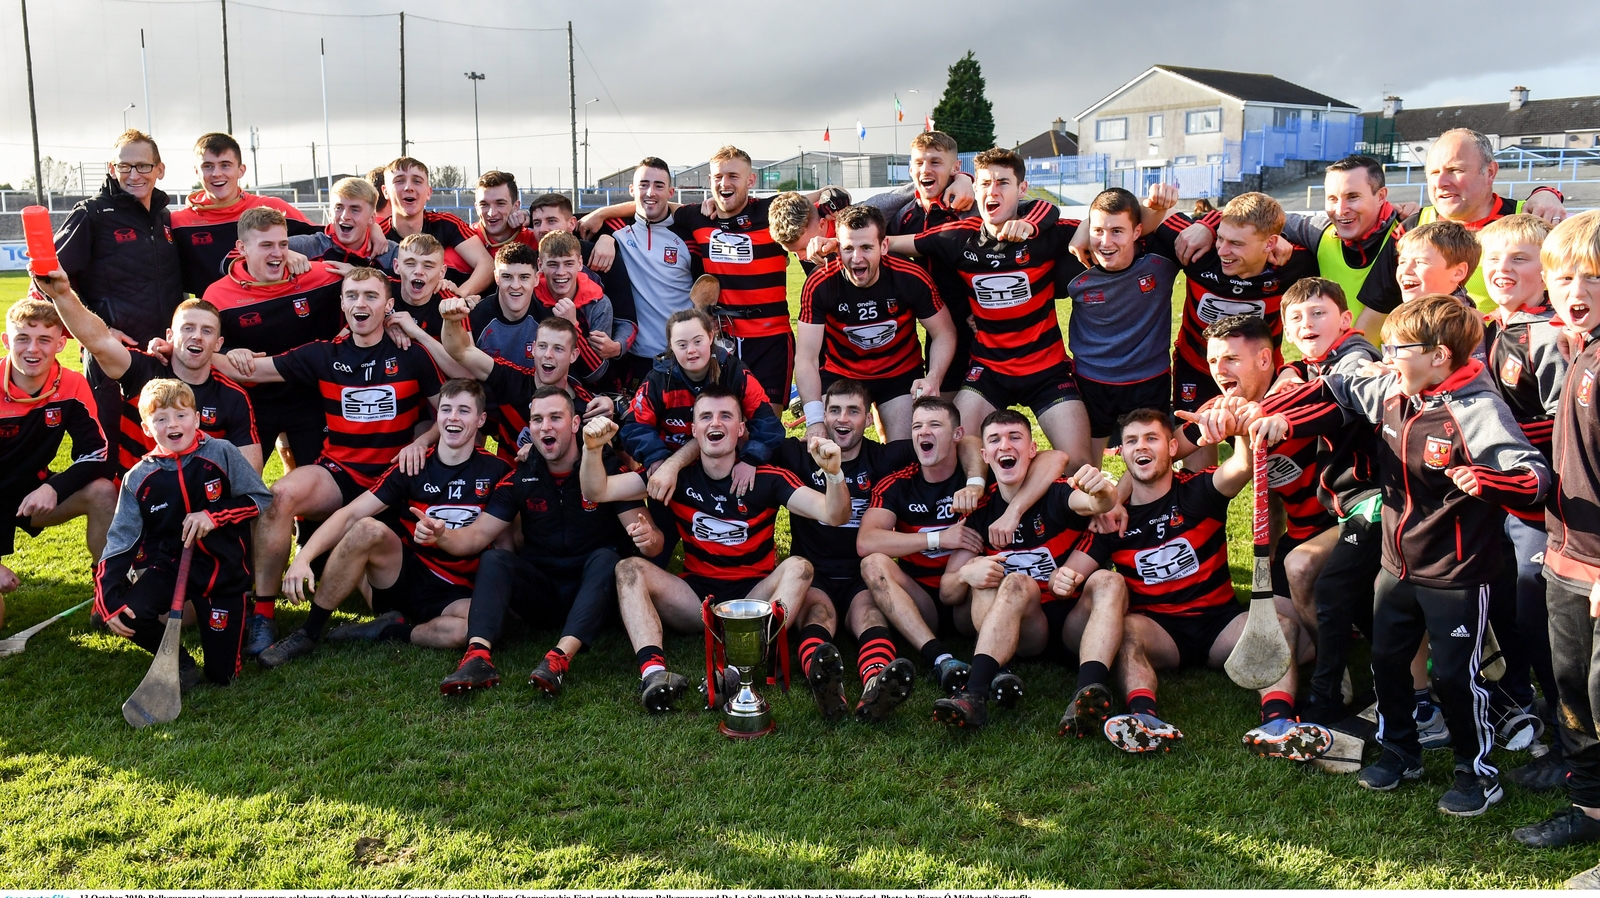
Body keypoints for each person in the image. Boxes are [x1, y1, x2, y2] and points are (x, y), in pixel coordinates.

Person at [1253, 294, 1550, 816]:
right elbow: (1340, 388)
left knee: (1455, 679)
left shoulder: (1477, 410)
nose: (1385, 360)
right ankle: (1400, 752)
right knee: (1388, 663)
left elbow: (1533, 476)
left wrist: (1488, 481)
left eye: (1397, 350)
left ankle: (1475, 773)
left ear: (1439, 356)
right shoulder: (1394, 387)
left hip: (1457, 575)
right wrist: (1274, 415)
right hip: (1396, 567)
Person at [578, 390, 850, 716]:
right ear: (693, 429)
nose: (715, 423)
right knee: (628, 568)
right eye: (706, 416)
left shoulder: (767, 478)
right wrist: (591, 450)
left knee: (800, 567)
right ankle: (653, 674)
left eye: (725, 416)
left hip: (753, 600)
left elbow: (835, 514)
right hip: (697, 601)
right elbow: (597, 490)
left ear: (741, 428)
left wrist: (834, 474)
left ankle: (737, 671)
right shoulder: (678, 476)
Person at [1075, 409, 1325, 762]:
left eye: (1151, 438)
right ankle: (1144, 718)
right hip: (1159, 630)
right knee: (1126, 630)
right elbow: (1072, 570)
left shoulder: (1197, 490)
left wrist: (1240, 431)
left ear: (1171, 447)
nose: (1140, 446)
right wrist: (1065, 574)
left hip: (1218, 624)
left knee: (1280, 626)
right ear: (1123, 453)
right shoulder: (1114, 518)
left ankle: (1277, 723)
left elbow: (1243, 466)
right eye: (1131, 441)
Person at [222, 267, 444, 653]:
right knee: (279, 496)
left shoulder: (411, 354)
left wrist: (421, 442)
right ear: (342, 304)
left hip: (397, 480)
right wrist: (203, 351)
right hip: (341, 473)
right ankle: (263, 615)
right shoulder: (324, 354)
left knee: (390, 600)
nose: (361, 303)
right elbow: (254, 370)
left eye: (371, 296)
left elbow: (449, 414)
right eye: (352, 295)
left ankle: (378, 615)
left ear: (388, 305)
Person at [756, 380, 988, 721]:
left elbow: (964, 440)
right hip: (814, 575)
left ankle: (876, 683)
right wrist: (747, 462)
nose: (842, 419)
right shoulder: (797, 454)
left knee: (871, 617)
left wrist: (975, 482)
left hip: (861, 579)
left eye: (853, 411)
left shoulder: (885, 457)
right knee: (819, 616)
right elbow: (753, 446)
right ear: (823, 416)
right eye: (835, 410)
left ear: (868, 419)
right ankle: (824, 681)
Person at [257, 379, 509, 668]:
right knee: (367, 528)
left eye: (464, 411)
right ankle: (308, 632)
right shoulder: (413, 464)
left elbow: (506, 543)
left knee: (470, 630)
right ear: (437, 416)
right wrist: (303, 558)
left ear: (481, 420)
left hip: (457, 590)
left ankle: (388, 631)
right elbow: (350, 514)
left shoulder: (498, 471)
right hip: (405, 574)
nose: (453, 418)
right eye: (446, 409)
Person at [431, 386, 661, 696]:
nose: (545, 427)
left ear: (576, 423)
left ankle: (559, 657)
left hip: (597, 594)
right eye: (537, 420)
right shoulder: (520, 476)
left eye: (555, 417)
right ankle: (477, 657)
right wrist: (441, 535)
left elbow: (654, 543)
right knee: (494, 559)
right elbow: (473, 538)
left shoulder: (606, 470)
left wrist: (647, 538)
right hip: (544, 594)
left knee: (608, 558)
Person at [886, 147, 1093, 470]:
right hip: (989, 371)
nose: (992, 191)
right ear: (974, 187)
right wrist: (838, 245)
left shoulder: (1047, 232)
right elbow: (891, 244)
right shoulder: (959, 237)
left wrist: (1064, 226)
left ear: (1022, 189)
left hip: (1047, 371)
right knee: (951, 452)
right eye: (984, 183)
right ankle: (980, 493)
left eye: (1003, 183)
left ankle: (1030, 489)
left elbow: (1102, 220)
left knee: (1079, 464)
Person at [931, 409, 1121, 731]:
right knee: (1007, 579)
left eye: (1015, 437)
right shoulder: (981, 511)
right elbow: (947, 592)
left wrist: (1104, 492)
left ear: (1032, 450)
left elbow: (1095, 504)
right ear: (985, 455)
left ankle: (1087, 696)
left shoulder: (1055, 492)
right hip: (1025, 629)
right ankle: (974, 695)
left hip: (1073, 624)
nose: (1005, 446)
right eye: (995, 440)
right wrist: (966, 574)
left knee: (1110, 580)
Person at [1510, 212, 1600, 881]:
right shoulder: (1579, 349)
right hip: (1568, 552)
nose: (1576, 290)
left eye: (1593, 278)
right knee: (1572, 687)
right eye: (1564, 277)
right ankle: (1589, 802)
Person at [94, 379, 270, 689]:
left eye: (181, 415)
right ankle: (178, 661)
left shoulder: (221, 452)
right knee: (130, 614)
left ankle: (233, 628)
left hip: (222, 573)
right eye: (161, 418)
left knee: (223, 677)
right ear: (147, 429)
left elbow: (259, 499)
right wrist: (106, 596)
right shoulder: (139, 478)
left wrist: (214, 516)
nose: (172, 424)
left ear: (197, 419)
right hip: (172, 567)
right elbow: (120, 541)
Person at [1475, 214, 1567, 783]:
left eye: (1519, 259)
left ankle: (1569, 739)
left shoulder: (1551, 334)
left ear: (1546, 270)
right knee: (1505, 603)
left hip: (1544, 504)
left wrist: (1493, 441)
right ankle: (1516, 702)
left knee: (1541, 612)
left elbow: (1567, 426)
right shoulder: (1487, 327)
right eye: (1493, 259)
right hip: (1497, 501)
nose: (1502, 269)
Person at [1268, 278, 1383, 725]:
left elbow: (1338, 394)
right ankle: (1365, 681)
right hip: (1352, 505)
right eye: (1296, 317)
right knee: (1323, 580)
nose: (1307, 323)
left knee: (1327, 584)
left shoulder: (1355, 358)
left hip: (1381, 498)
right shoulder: (1312, 365)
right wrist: (1289, 376)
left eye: (1319, 313)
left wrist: (1279, 415)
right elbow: (1309, 376)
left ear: (1346, 320)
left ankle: (1328, 697)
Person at [34, 271, 260, 474]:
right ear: (170, 336)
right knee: (102, 494)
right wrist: (62, 295)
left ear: (219, 344)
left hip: (201, 502)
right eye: (188, 328)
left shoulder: (232, 396)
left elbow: (249, 473)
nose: (197, 336)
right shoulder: (143, 369)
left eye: (207, 331)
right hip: (137, 499)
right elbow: (99, 341)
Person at [53, 130, 184, 477]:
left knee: (166, 454)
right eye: (125, 166)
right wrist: (101, 329)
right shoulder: (92, 214)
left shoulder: (165, 218)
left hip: (164, 357)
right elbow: (47, 280)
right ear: (112, 169)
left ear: (160, 169)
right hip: (112, 361)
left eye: (143, 166)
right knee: (111, 461)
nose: (134, 174)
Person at [1168, 191, 1317, 470]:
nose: (1223, 251)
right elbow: (1146, 217)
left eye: (1236, 243)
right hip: (1196, 369)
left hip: (1260, 376)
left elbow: (1343, 239)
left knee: (1272, 468)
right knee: (1199, 467)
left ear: (1270, 243)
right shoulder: (1199, 249)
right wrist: (1207, 224)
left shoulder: (1296, 262)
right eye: (1221, 239)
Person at [203, 205, 346, 475]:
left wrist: (353, 270)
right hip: (253, 403)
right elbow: (204, 346)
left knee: (316, 483)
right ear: (242, 248)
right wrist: (230, 352)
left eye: (283, 244)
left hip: (310, 400)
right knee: (241, 482)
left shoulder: (319, 275)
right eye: (266, 245)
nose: (278, 253)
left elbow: (372, 282)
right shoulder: (218, 295)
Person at [796, 203, 955, 441]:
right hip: (842, 375)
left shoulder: (910, 276)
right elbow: (806, 358)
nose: (856, 258)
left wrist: (933, 377)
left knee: (903, 450)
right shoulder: (821, 282)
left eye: (866, 247)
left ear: (884, 246)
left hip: (899, 374)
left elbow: (944, 333)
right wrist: (814, 420)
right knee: (830, 447)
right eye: (848, 248)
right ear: (838, 248)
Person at [0, 297, 115, 619]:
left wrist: (55, 487)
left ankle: (107, 591)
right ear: (7, 341)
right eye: (23, 338)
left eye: (44, 340)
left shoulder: (71, 384)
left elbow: (97, 453)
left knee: (102, 491)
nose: (32, 349)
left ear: (61, 344)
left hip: (30, 496)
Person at [620, 309, 784, 531]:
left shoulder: (734, 372)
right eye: (682, 344)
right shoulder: (659, 379)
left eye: (698, 341)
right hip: (671, 464)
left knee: (728, 532)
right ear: (671, 346)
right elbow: (635, 425)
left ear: (711, 336)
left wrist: (750, 460)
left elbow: (767, 422)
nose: (691, 350)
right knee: (662, 537)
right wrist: (655, 458)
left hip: (724, 466)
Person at [1066, 187, 1190, 460]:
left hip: (1149, 379)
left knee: (1152, 462)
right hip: (1091, 379)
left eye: (1117, 231)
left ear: (1137, 232)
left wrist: (1161, 206)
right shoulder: (1075, 260)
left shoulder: (1161, 253)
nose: (1106, 242)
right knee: (1087, 466)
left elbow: (1203, 230)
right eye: (1098, 230)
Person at [1406, 128, 1565, 305]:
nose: (1441, 182)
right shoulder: (1409, 226)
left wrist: (1547, 192)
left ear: (1490, 172)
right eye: (1434, 173)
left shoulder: (1536, 219)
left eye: (1455, 170)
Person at [586, 158, 698, 388]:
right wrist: (605, 237)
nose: (650, 192)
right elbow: (561, 227)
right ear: (631, 190)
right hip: (638, 359)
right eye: (643, 185)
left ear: (670, 192)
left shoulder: (690, 235)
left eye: (659, 186)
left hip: (684, 356)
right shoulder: (614, 229)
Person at [170, 132, 316, 296]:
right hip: (214, 309)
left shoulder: (272, 208)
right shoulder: (179, 222)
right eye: (208, 166)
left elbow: (325, 239)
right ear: (197, 171)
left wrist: (283, 253)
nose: (216, 173)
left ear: (241, 170)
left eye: (225, 165)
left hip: (271, 306)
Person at [526, 231, 632, 384]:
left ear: (580, 263)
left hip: (581, 389)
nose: (561, 272)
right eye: (553, 264)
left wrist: (573, 325)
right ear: (540, 265)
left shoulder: (598, 303)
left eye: (569, 263)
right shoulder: (529, 295)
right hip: (530, 381)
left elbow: (596, 373)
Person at [379, 157, 495, 295]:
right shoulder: (378, 236)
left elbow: (486, 264)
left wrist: (459, 295)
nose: (408, 187)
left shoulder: (446, 224)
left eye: (417, 181)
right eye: (399, 181)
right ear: (385, 191)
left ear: (429, 192)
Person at [285, 176, 396, 269]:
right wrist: (282, 254)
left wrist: (359, 276)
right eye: (339, 208)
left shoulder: (391, 253)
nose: (345, 216)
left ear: (371, 219)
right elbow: (274, 250)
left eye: (355, 210)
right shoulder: (310, 246)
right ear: (330, 213)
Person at [467, 243, 542, 366]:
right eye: (507, 277)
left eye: (524, 277)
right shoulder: (476, 317)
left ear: (536, 279)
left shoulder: (546, 319)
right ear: (496, 278)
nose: (515, 286)